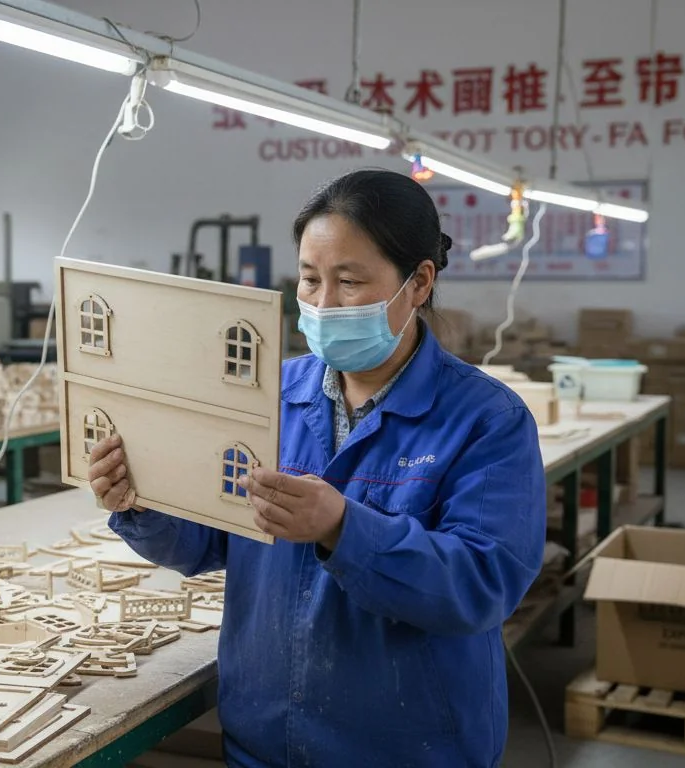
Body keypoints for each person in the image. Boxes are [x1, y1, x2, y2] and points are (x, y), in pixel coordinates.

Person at [88, 168, 546, 767]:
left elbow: (482, 585)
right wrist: (140, 500)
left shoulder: (487, 419)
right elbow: (205, 540)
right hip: (265, 738)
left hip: (409, 749)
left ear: (419, 282)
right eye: (309, 280)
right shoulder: (266, 397)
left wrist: (343, 529)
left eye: (350, 282)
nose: (324, 304)